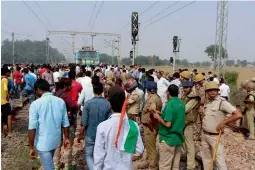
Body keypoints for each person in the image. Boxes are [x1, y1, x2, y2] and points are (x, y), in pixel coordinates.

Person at [93, 85, 144, 170]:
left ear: (109, 104)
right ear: (125, 102)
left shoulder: (102, 127)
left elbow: (98, 156)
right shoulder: (133, 125)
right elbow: (139, 150)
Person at [28, 79, 70, 170]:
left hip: (43, 143)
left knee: (48, 167)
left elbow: (32, 127)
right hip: (56, 140)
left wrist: (31, 147)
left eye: (36, 91)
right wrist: (66, 137)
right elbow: (65, 122)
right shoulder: (60, 101)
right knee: (49, 164)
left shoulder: (35, 104)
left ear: (38, 90)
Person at [201, 81, 242, 170]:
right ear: (206, 92)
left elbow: (238, 115)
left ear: (218, 91)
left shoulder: (222, 102)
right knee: (206, 159)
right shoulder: (206, 101)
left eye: (214, 90)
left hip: (215, 136)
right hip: (204, 134)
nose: (212, 92)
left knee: (219, 160)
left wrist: (224, 122)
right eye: (210, 90)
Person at [78, 78, 111, 170]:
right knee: (102, 154)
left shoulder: (88, 104)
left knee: (89, 155)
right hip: (103, 135)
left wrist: (80, 135)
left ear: (93, 91)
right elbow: (109, 121)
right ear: (102, 91)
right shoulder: (108, 104)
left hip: (90, 133)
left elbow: (84, 123)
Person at [152, 84, 185, 170]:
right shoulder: (181, 103)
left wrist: (158, 118)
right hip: (178, 138)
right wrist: (162, 114)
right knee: (175, 165)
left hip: (167, 139)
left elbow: (168, 124)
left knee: (165, 166)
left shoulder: (170, 104)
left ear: (168, 93)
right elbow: (176, 117)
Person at [54, 77, 77, 170]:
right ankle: (68, 165)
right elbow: (73, 105)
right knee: (68, 142)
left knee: (57, 143)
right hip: (67, 122)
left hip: (56, 122)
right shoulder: (65, 96)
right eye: (69, 85)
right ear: (65, 86)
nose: (71, 86)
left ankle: (56, 164)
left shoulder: (55, 94)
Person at [140, 81, 162, 169]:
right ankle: (149, 161)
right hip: (152, 125)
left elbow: (152, 109)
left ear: (147, 90)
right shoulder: (157, 97)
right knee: (149, 145)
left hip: (150, 126)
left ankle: (153, 166)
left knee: (151, 147)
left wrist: (153, 112)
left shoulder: (152, 99)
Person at [180, 81, 200, 170]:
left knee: (189, 145)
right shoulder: (185, 96)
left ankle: (190, 166)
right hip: (183, 123)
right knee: (183, 143)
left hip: (189, 124)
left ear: (191, 87)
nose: (185, 89)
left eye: (187, 87)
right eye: (184, 87)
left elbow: (184, 109)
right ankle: (186, 158)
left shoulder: (194, 98)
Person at [1, 67, 13, 137]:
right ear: (6, 73)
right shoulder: (5, 79)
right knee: (9, 115)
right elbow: (5, 89)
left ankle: (1, 133)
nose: (10, 73)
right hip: (4, 101)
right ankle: (10, 132)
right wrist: (8, 97)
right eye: (9, 72)